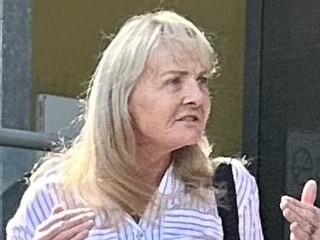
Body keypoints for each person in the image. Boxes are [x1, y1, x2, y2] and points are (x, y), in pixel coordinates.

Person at [6, 10, 264, 239]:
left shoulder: (227, 187)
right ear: (123, 97)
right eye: (174, 81)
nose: (196, 96)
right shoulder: (53, 195)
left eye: (202, 80)